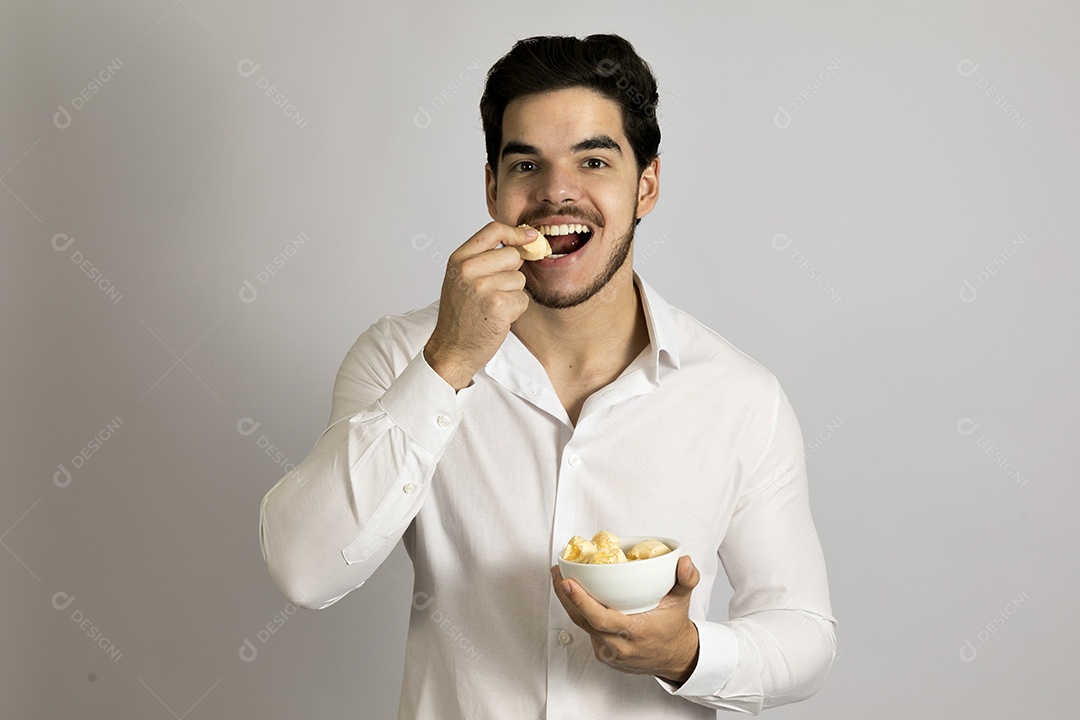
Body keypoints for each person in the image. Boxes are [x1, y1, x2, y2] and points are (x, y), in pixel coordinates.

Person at [259, 33, 836, 718]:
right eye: (527, 164)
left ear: (646, 185)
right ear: (492, 188)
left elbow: (804, 633)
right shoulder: (401, 355)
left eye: (594, 160)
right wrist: (448, 362)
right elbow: (304, 570)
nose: (557, 191)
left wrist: (688, 654)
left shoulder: (739, 397)